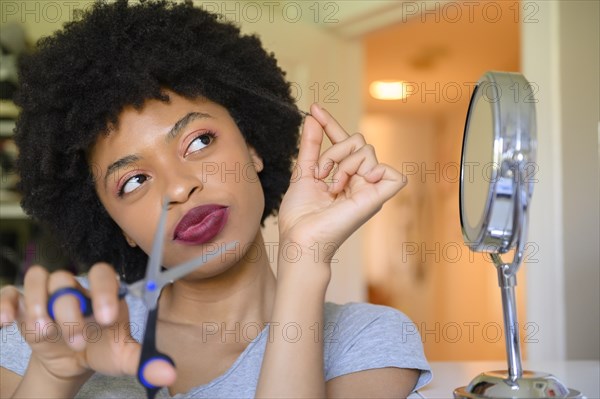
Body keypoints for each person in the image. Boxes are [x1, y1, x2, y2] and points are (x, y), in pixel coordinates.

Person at [0, 0, 431, 397]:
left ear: (254, 148)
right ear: (117, 226)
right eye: (133, 181)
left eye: (199, 141)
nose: (178, 187)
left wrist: (305, 260)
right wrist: (52, 375)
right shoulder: (56, 325)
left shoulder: (366, 339)